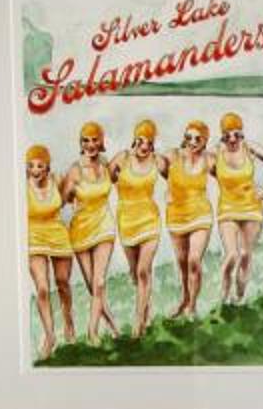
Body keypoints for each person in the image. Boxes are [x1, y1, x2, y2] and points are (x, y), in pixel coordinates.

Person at [212, 114, 263, 308]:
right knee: (232, 255)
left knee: (245, 255)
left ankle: (239, 298)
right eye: (227, 136)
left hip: (251, 208)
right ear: (222, 136)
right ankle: (223, 299)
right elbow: (199, 166)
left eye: (237, 135)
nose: (233, 139)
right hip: (227, 209)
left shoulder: (249, 148)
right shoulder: (216, 151)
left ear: (242, 134)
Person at [63, 121, 121, 344]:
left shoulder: (106, 163)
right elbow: (65, 198)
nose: (90, 145)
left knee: (99, 283)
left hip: (105, 226)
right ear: (80, 143)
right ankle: (113, 326)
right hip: (80, 230)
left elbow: (117, 178)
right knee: (92, 286)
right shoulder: (75, 170)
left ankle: (92, 332)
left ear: (101, 141)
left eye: (94, 140)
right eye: (85, 140)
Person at [109, 120, 166, 338]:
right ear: (135, 140)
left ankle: (138, 323)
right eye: (141, 140)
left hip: (150, 220)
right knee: (134, 274)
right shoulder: (122, 158)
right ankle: (146, 310)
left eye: (148, 142)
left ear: (153, 143)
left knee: (143, 271)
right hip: (126, 221)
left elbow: (175, 176)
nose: (144, 146)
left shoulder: (157, 161)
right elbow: (107, 177)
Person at [24, 142, 76, 360]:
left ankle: (68, 321)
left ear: (47, 167)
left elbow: (71, 194)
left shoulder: (57, 180)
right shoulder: (22, 186)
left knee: (62, 282)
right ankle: (50, 335)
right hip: (34, 238)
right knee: (43, 289)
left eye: (39, 165)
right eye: (31, 166)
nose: (35, 170)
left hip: (58, 235)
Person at [164, 120, 215, 318]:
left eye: (197, 139)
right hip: (176, 215)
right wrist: (169, 190)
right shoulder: (173, 155)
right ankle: (184, 299)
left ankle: (192, 306)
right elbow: (156, 167)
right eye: (189, 137)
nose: (192, 142)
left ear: (205, 141)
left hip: (201, 215)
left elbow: (229, 178)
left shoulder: (209, 159)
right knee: (182, 263)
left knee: (194, 260)